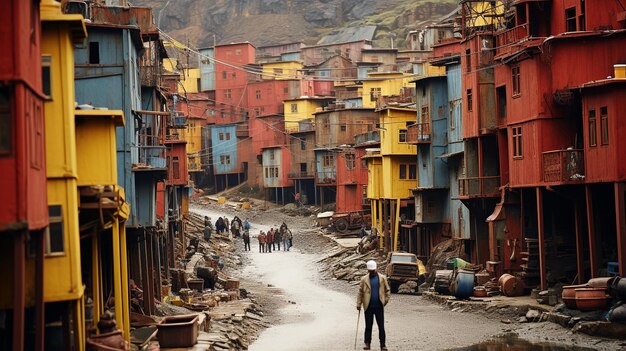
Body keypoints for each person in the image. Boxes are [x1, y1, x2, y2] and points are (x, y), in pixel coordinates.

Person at [356, 260, 390, 351]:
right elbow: (360, 292)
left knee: (381, 326)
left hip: (379, 306)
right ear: (368, 270)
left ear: (376, 269)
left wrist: (385, 301)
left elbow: (387, 290)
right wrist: (358, 304)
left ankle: (383, 345)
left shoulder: (382, 278)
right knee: (368, 326)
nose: (371, 272)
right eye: (370, 270)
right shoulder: (364, 279)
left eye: (373, 270)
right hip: (368, 306)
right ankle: (367, 344)